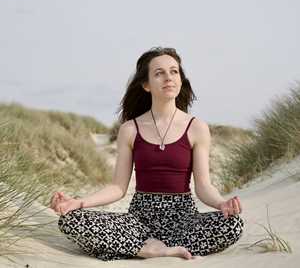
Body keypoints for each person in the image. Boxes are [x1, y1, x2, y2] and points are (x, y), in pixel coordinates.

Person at [50, 46, 244, 261]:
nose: (168, 78)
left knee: (233, 225)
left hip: (184, 221)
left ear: (180, 80)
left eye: (174, 71)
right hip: (139, 221)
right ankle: (153, 249)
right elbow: (118, 187)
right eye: (159, 73)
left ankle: (134, 248)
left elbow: (204, 186)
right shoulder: (130, 129)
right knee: (70, 220)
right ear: (146, 85)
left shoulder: (197, 127)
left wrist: (221, 204)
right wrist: (79, 203)